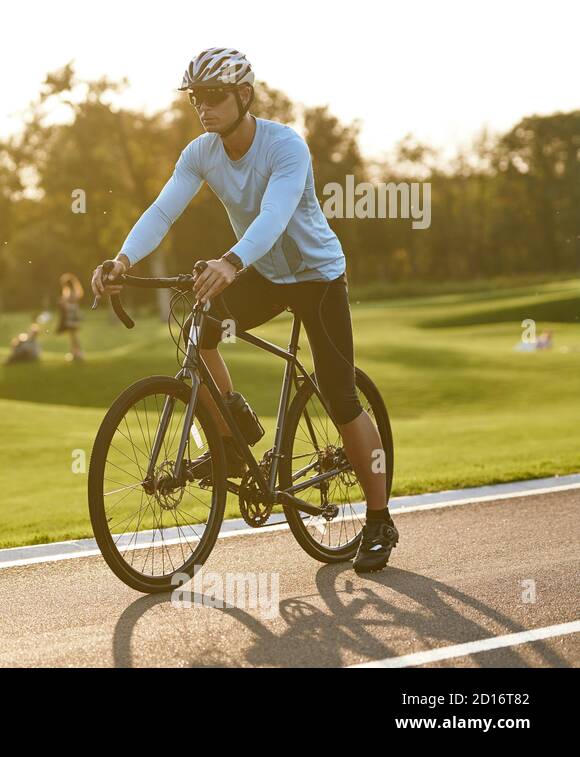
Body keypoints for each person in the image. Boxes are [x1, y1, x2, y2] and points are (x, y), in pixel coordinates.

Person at [90, 48, 396, 574]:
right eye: (195, 98)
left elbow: (276, 214)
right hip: (269, 276)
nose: (203, 107)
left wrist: (231, 261)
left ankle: (378, 520)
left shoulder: (286, 146)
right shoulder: (201, 152)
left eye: (213, 96)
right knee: (200, 329)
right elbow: (163, 208)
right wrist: (122, 258)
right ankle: (234, 433)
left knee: (342, 399)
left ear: (244, 96)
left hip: (317, 277)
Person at [56, 273, 85, 361]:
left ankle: (78, 353)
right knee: (72, 335)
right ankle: (74, 352)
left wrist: (63, 302)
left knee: (74, 335)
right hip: (72, 314)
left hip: (71, 314)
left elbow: (70, 302)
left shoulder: (71, 292)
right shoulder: (72, 291)